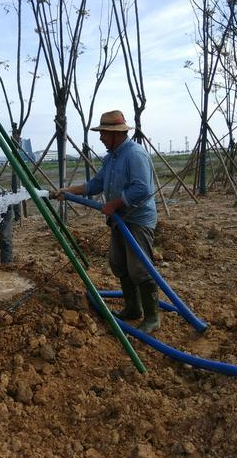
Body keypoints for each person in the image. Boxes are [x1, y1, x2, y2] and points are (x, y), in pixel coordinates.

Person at [51, 110, 159, 333]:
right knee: (119, 264)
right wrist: (69, 190)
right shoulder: (112, 158)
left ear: (114, 134)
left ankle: (152, 317)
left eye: (103, 134)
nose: (100, 138)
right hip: (119, 219)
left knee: (140, 269)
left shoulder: (134, 155)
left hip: (137, 220)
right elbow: (96, 184)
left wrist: (116, 203)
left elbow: (143, 189)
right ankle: (132, 308)